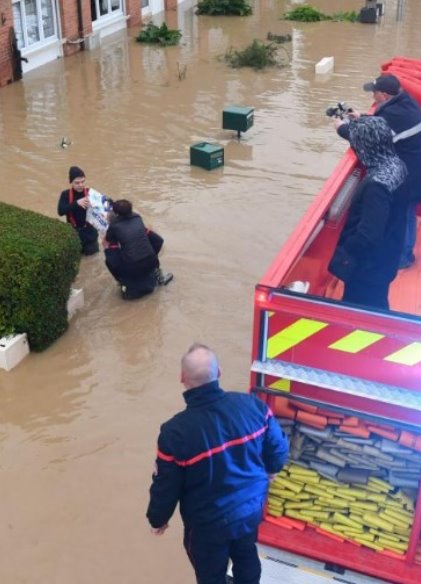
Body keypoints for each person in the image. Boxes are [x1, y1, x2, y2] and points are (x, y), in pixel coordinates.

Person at [147, 343, 290, 584]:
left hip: (208, 525)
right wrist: (272, 468)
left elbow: (166, 485)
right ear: (219, 373)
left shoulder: (175, 434)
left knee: (210, 573)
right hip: (250, 509)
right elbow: (278, 447)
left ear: (182, 378)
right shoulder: (252, 406)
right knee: (246, 555)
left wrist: (158, 519)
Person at [338, 74, 421, 269]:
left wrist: (342, 128)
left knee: (402, 215)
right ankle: (404, 255)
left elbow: (370, 139)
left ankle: (402, 259)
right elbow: (383, 125)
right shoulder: (406, 104)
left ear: (383, 95)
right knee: (407, 213)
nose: (372, 97)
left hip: (407, 177)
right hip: (416, 172)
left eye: (374, 93)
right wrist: (362, 117)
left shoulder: (394, 115)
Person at [328, 116, 408, 310]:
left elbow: (369, 234)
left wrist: (346, 249)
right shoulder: (396, 165)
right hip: (388, 255)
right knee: (378, 304)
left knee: (359, 309)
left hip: (368, 267)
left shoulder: (376, 187)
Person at [103, 199, 173, 299]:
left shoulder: (114, 226)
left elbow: (108, 241)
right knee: (151, 245)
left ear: (116, 213)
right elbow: (158, 241)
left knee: (109, 257)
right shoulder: (137, 218)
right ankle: (158, 275)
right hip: (152, 261)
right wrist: (151, 254)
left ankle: (122, 281)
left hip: (132, 267)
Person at [57, 166, 100, 256]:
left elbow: (104, 206)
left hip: (90, 234)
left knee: (93, 259)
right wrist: (76, 203)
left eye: (83, 182)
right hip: (74, 233)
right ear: (71, 182)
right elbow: (60, 211)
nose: (81, 185)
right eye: (77, 183)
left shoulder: (90, 192)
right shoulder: (65, 194)